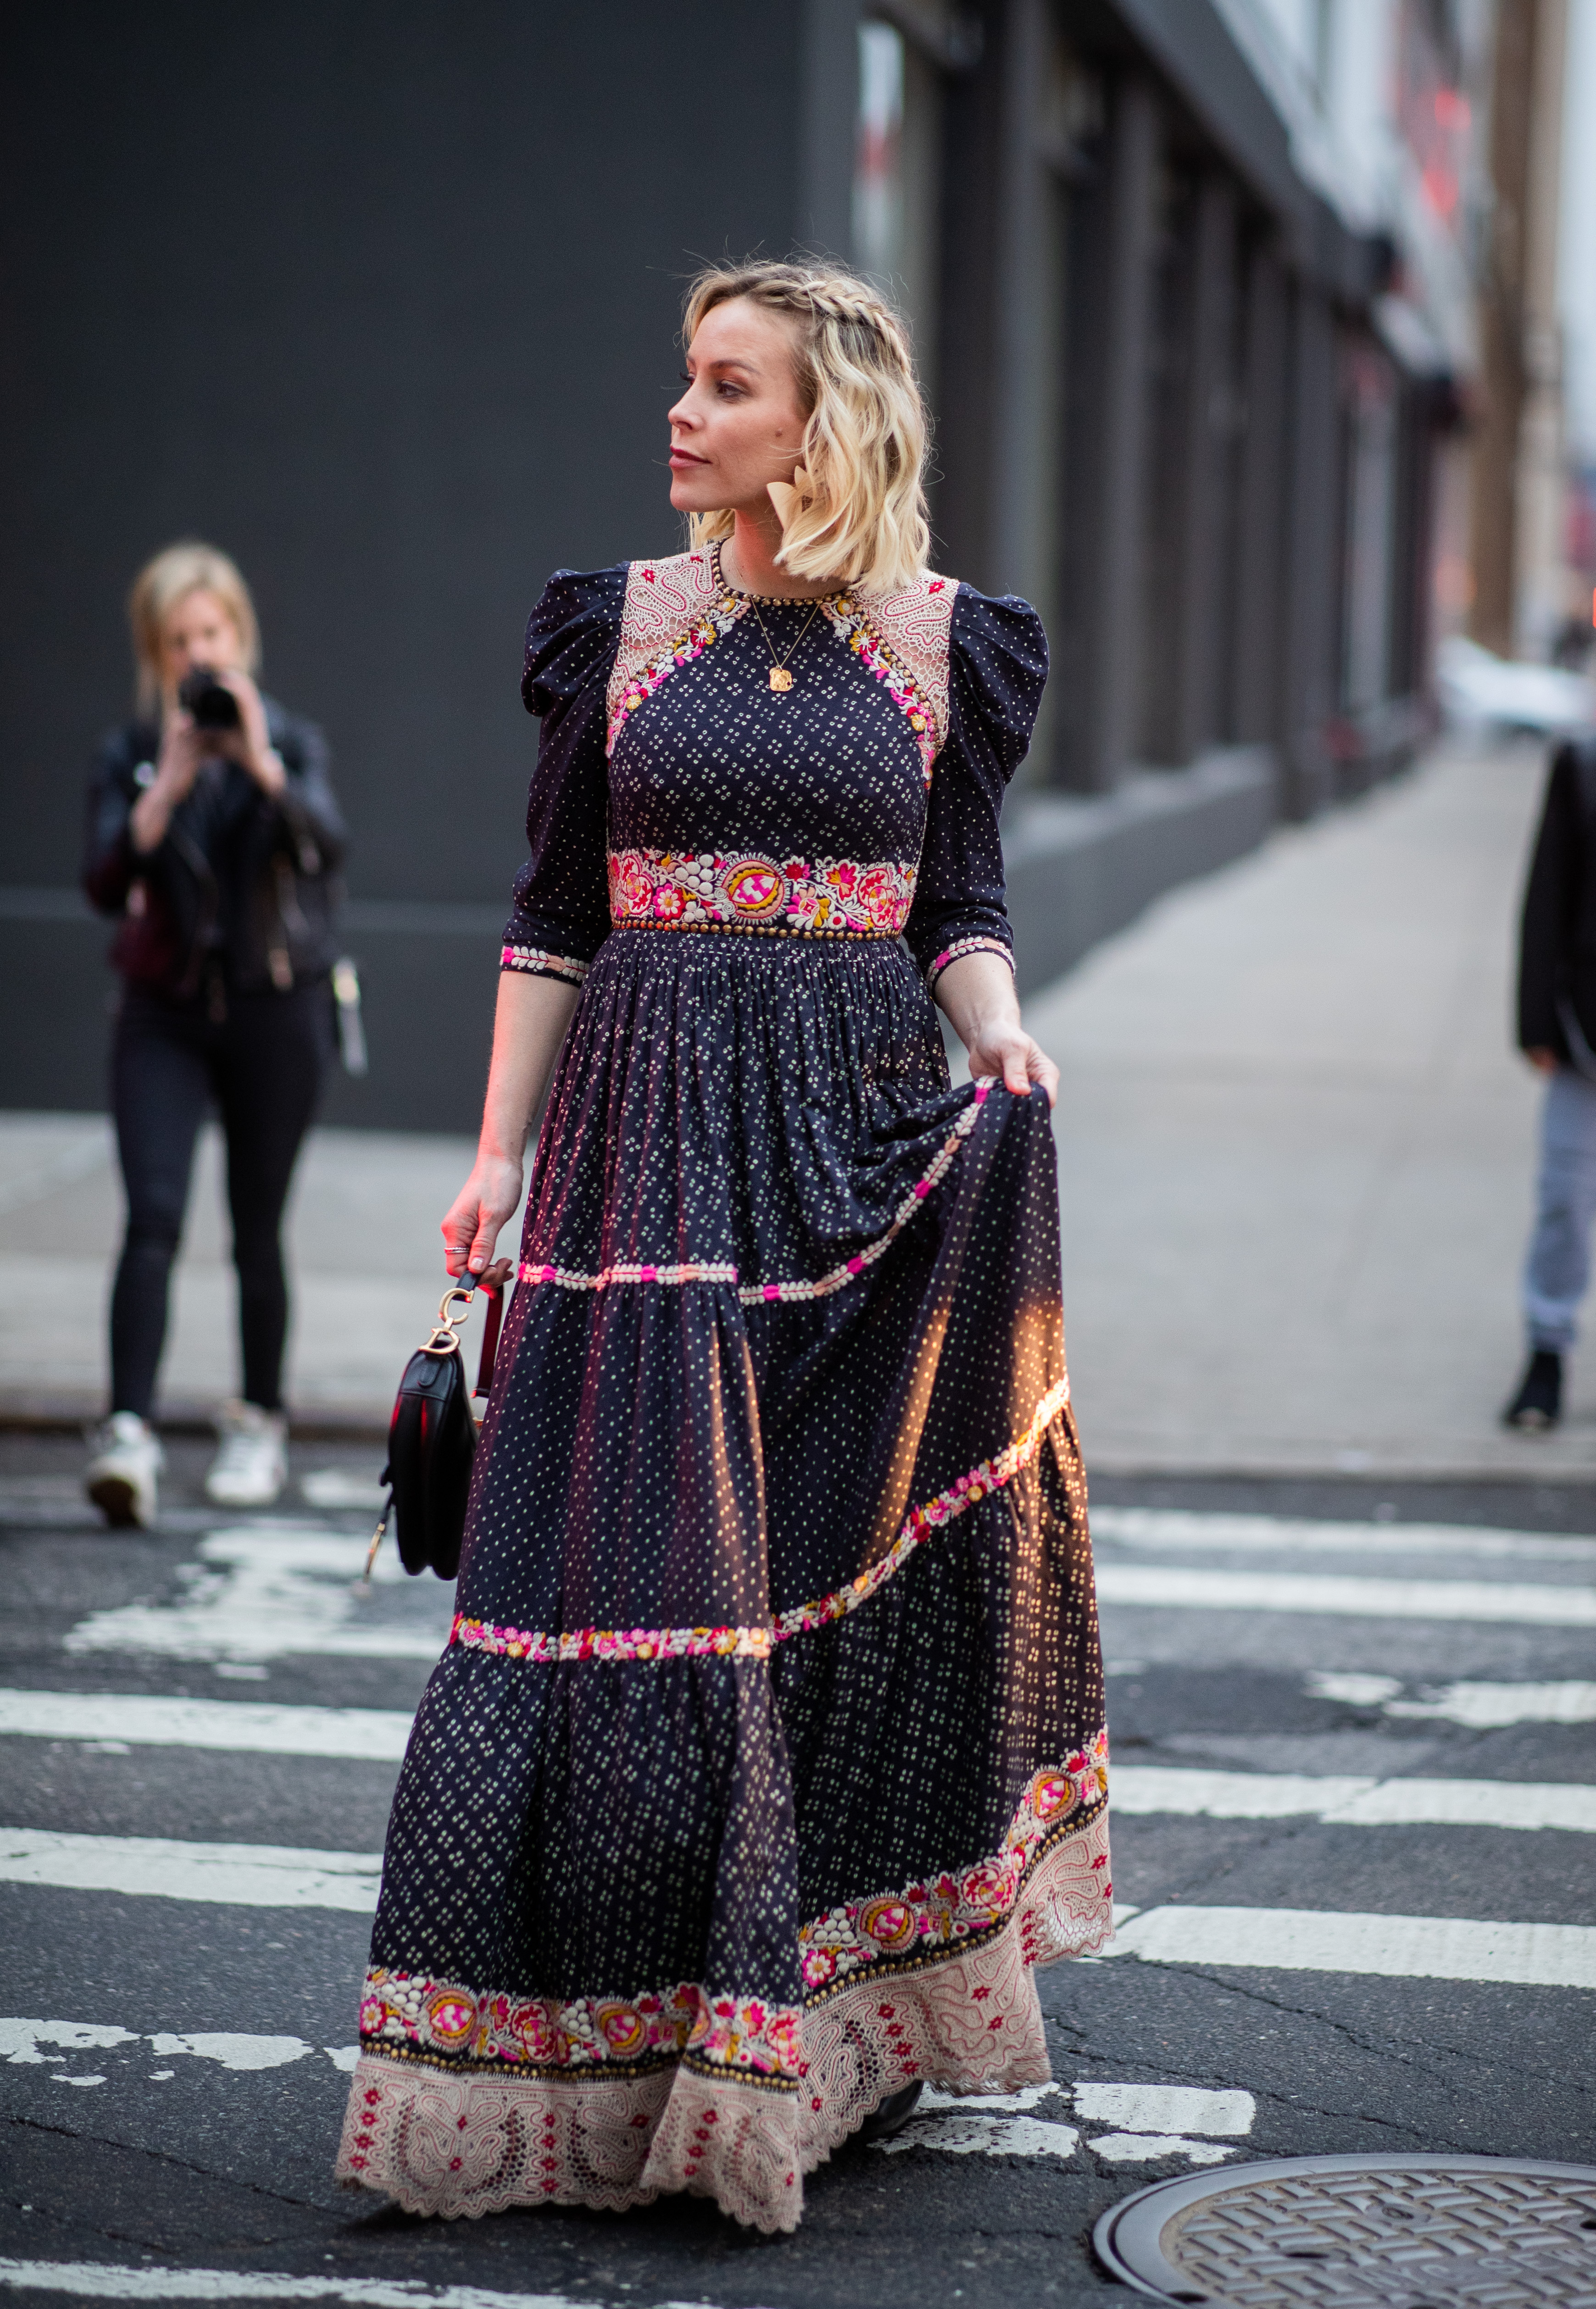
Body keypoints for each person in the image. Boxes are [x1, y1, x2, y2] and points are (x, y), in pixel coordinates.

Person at [335, 262, 1109, 2234]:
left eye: (726, 385)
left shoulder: (946, 645)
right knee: (636, 1587)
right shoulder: (618, 624)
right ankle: (602, 2053)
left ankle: (808, 2032)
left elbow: (957, 899)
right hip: (646, 1160)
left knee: (818, 1580)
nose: (682, 413)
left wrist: (1001, 1031)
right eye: (688, 379)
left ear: (820, 424)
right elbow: (552, 914)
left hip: (851, 1155)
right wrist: (495, 1160)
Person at [82, 542, 345, 1523]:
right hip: (164, 1012)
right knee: (152, 1218)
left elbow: (327, 845)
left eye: (213, 634)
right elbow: (103, 881)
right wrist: (166, 785)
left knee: (256, 1229)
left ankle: (260, 1421)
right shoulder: (132, 752)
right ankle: (127, 1432)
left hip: (277, 1011)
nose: (199, 655)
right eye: (179, 641)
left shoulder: (292, 743)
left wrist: (261, 766)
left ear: (242, 638)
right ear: (156, 654)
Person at [1505, 730, 1596, 1430]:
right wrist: (1536, 1021)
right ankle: (1547, 1351)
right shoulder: (1582, 762)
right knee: (1564, 1196)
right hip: (1583, 1029)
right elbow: (1548, 891)